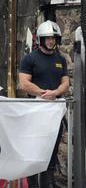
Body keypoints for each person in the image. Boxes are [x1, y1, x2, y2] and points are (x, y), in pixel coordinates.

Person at [19, 20, 70, 188]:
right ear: (40, 40)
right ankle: (33, 186)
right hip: (35, 112)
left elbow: (65, 83)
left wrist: (55, 93)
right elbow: (24, 83)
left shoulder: (60, 59)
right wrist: (43, 93)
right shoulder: (30, 58)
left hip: (54, 114)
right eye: (47, 38)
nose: (51, 41)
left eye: (54, 38)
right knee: (34, 150)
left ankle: (48, 184)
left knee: (51, 151)